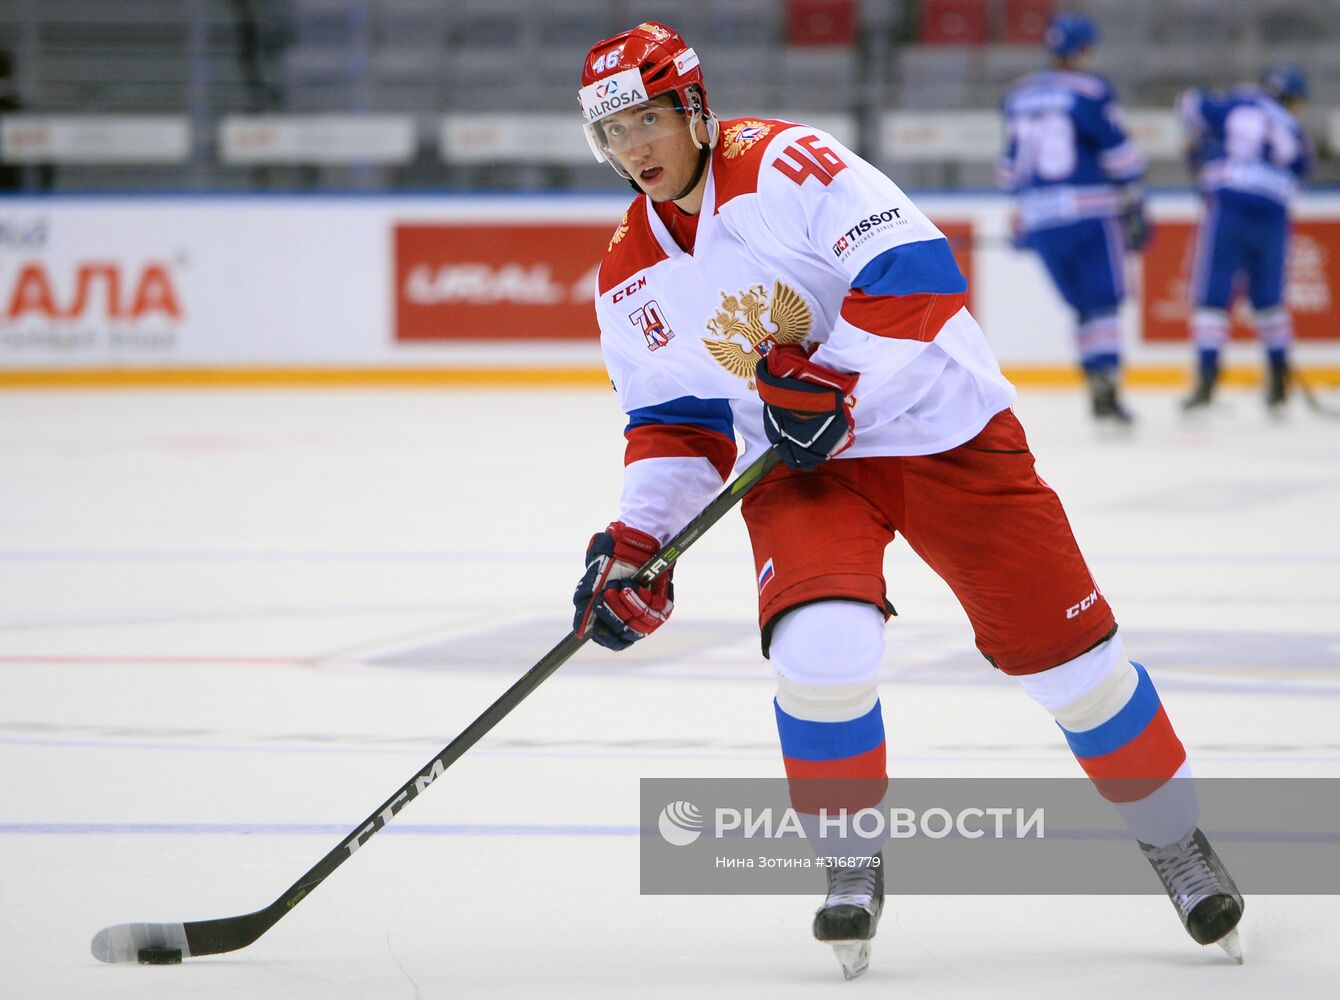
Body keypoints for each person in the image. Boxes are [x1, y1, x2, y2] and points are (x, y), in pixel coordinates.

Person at [571, 21, 1242, 980]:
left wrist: (837, 377)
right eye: (612, 132)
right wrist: (638, 542)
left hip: (942, 430)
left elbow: (916, 274)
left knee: (1075, 673)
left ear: (694, 107)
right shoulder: (628, 274)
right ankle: (850, 867)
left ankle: (1177, 842)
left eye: (647, 118)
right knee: (820, 653)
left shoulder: (784, 165)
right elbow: (678, 426)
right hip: (807, 469)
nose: (634, 148)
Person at [998, 13, 1148, 425]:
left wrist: (1024, 214)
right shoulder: (1091, 90)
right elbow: (1122, 156)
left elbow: (1010, 169)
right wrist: (1136, 201)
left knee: (1081, 308)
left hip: (1041, 220)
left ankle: (1093, 380)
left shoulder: (1018, 94)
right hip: (1091, 212)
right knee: (1105, 304)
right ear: (1082, 50)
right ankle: (1109, 387)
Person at [1176, 64, 1312, 412]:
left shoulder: (1239, 102)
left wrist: (1205, 146)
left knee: (1212, 299)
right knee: (1269, 301)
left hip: (1230, 206)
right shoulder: (1293, 128)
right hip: (1272, 213)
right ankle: (1279, 382)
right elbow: (1299, 172)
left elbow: (1188, 104)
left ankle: (1206, 382)